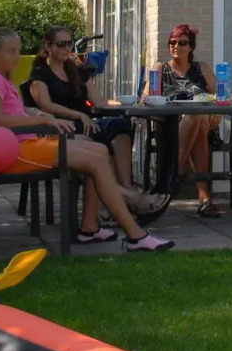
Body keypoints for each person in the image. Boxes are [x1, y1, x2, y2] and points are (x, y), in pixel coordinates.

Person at [0, 27, 172, 251]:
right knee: (96, 160)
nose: (17, 57)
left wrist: (37, 114)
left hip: (26, 144)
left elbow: (14, 112)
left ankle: (90, 227)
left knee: (99, 150)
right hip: (19, 150)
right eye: (11, 51)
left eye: (18, 51)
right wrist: (45, 121)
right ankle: (135, 234)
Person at [25, 25, 165, 214]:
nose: (67, 48)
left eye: (69, 43)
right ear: (48, 46)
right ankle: (124, 200)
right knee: (99, 145)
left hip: (88, 124)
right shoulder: (40, 74)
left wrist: (131, 107)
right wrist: (78, 114)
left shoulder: (76, 70)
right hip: (63, 127)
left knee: (120, 125)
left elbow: (99, 101)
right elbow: (45, 105)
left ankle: (127, 188)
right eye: (61, 44)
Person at [141, 24, 222, 218]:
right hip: (169, 128)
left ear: (191, 47)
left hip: (204, 127)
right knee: (197, 117)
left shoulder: (201, 68)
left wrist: (218, 111)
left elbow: (219, 95)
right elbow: (145, 99)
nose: (176, 46)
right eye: (172, 42)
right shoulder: (160, 69)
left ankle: (170, 181)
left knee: (198, 118)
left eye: (182, 43)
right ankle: (204, 198)